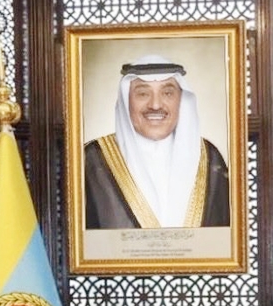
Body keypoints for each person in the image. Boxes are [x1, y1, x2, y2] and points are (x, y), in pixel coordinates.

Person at [84, 55, 230, 229]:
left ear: (181, 100)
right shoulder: (92, 159)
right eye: (143, 94)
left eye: (167, 93)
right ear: (126, 100)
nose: (155, 105)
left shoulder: (209, 157)